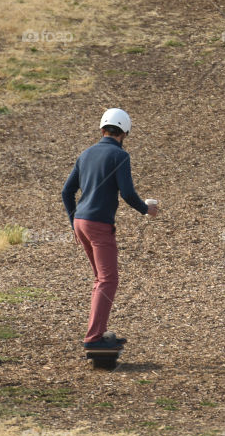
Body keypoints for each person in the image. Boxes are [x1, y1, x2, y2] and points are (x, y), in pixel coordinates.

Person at [62, 108, 160, 350]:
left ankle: (98, 331)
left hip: (81, 222)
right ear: (125, 132)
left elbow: (67, 192)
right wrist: (146, 210)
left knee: (100, 279)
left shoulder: (85, 154)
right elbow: (127, 193)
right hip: (98, 224)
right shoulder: (120, 156)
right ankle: (94, 337)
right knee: (108, 280)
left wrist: (73, 221)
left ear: (102, 128)